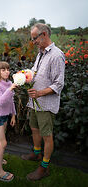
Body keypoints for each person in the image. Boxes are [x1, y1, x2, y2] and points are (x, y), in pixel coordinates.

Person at [21, 23, 65, 181]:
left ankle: (44, 167)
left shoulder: (56, 55)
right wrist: (25, 75)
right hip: (34, 101)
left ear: (44, 34)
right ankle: (36, 153)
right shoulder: (41, 53)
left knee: (47, 135)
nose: (33, 42)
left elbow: (59, 84)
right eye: (32, 39)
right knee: (34, 128)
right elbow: (35, 70)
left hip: (46, 104)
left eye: (35, 39)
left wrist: (40, 93)